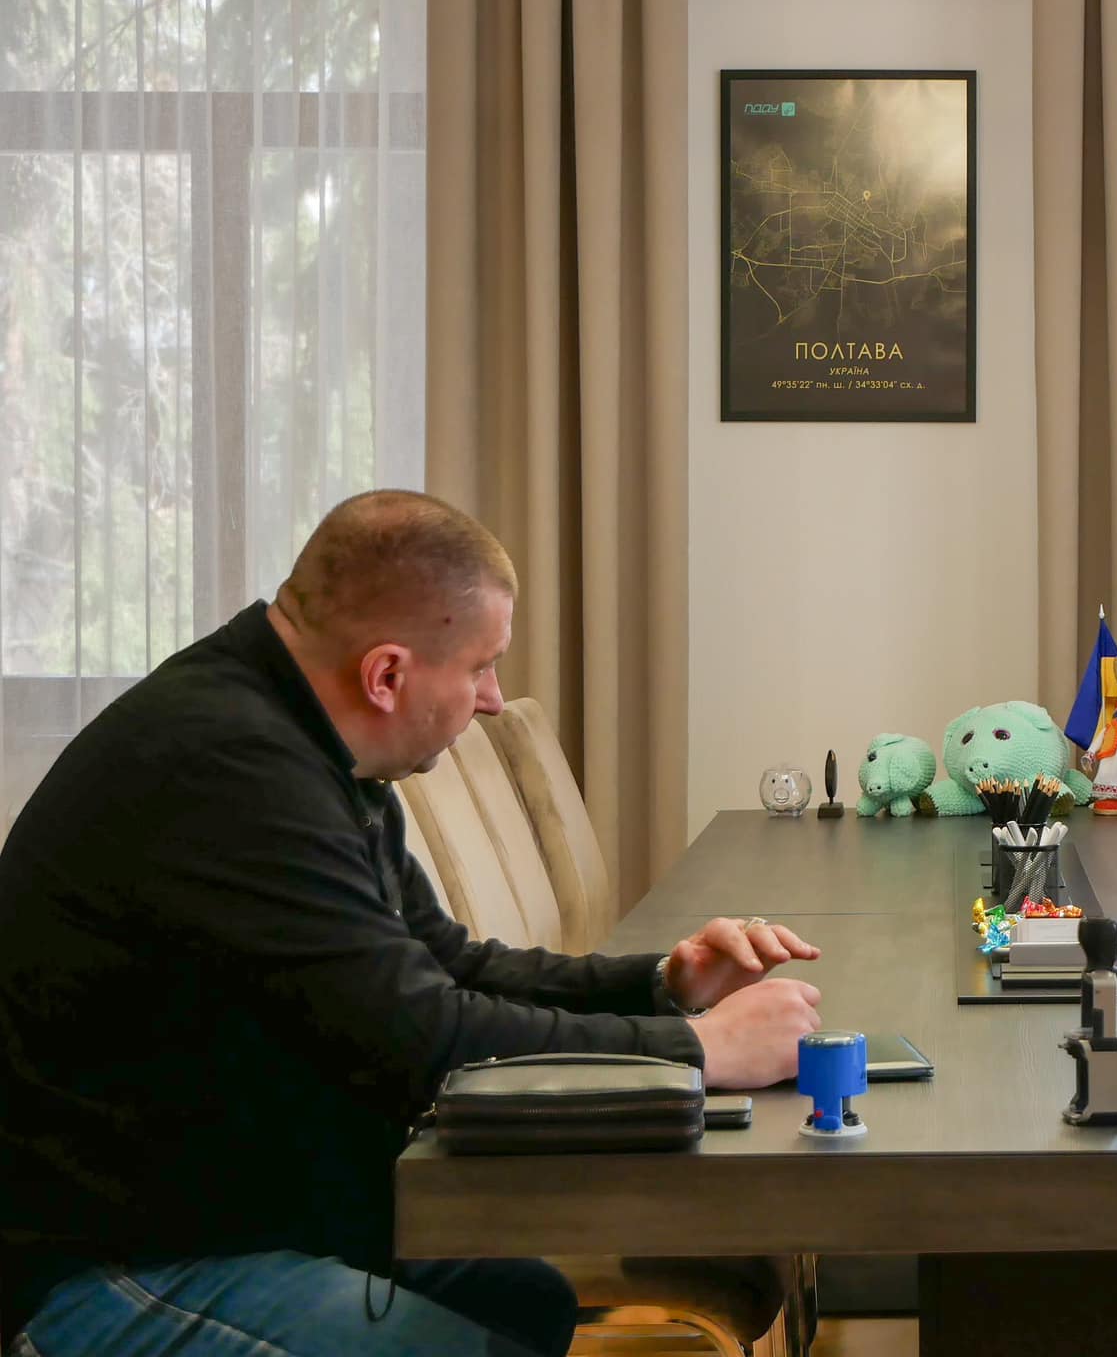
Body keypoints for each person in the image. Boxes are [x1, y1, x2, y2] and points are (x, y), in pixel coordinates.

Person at [0, 491, 824, 1357]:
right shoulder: (228, 770)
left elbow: (447, 965)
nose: (494, 699)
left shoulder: (307, 740)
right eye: (481, 667)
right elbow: (425, 1043)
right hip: (109, 1264)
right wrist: (700, 1051)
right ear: (387, 675)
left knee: (531, 1304)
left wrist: (661, 986)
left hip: (239, 1209)